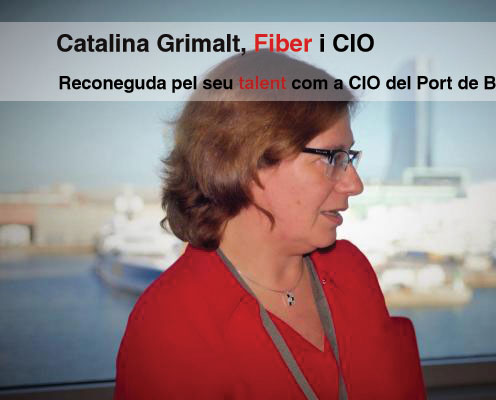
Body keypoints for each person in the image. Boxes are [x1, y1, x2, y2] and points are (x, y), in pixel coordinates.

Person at [114, 51, 426, 399]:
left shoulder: (350, 269)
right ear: (245, 161)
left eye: (349, 157)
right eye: (333, 158)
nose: (355, 184)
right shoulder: (170, 327)